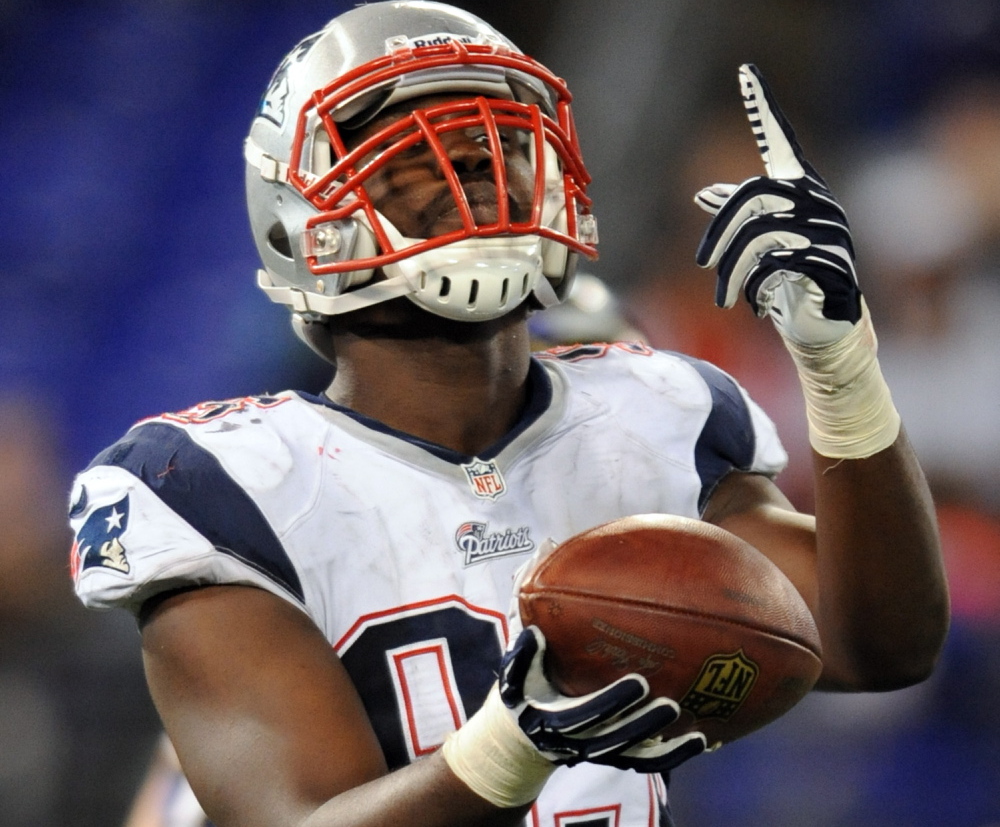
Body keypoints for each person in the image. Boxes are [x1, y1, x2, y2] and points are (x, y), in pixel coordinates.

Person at [67, 4, 948, 826]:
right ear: (305, 219)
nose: (472, 167)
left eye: (498, 141)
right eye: (411, 153)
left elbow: (879, 646)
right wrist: (511, 748)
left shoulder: (655, 410)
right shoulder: (221, 485)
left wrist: (841, 369)